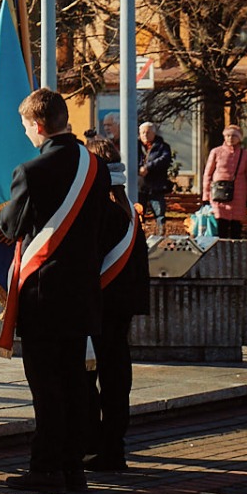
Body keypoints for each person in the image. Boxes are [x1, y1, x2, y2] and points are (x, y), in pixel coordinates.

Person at [0, 88, 114, 493]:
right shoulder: (96, 168)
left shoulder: (31, 171)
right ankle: (73, 467)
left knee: (47, 387)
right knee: (76, 383)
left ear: (39, 125)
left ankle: (45, 467)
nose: (26, 133)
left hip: (44, 296)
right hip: (82, 290)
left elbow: (10, 228)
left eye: (26, 126)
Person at [89, 135, 150, 474]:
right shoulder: (127, 209)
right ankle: (114, 445)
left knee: (99, 379)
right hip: (121, 306)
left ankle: (105, 447)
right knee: (116, 378)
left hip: (102, 305)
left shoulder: (103, 211)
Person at [201, 124, 247, 241]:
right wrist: (206, 195)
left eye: (234, 136)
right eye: (228, 135)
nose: (230, 138)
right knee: (221, 226)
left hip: (238, 195)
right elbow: (207, 174)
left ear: (239, 138)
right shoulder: (216, 152)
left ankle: (234, 255)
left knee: (236, 228)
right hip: (219, 194)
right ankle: (221, 254)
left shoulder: (245, 155)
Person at [137, 122, 173, 229]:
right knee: (138, 212)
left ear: (154, 133)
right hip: (139, 185)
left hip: (156, 185)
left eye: (148, 132)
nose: (145, 135)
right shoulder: (135, 146)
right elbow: (129, 159)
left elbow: (164, 160)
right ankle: (139, 234)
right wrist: (139, 168)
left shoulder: (163, 146)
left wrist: (148, 167)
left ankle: (161, 234)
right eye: (142, 132)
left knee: (159, 213)